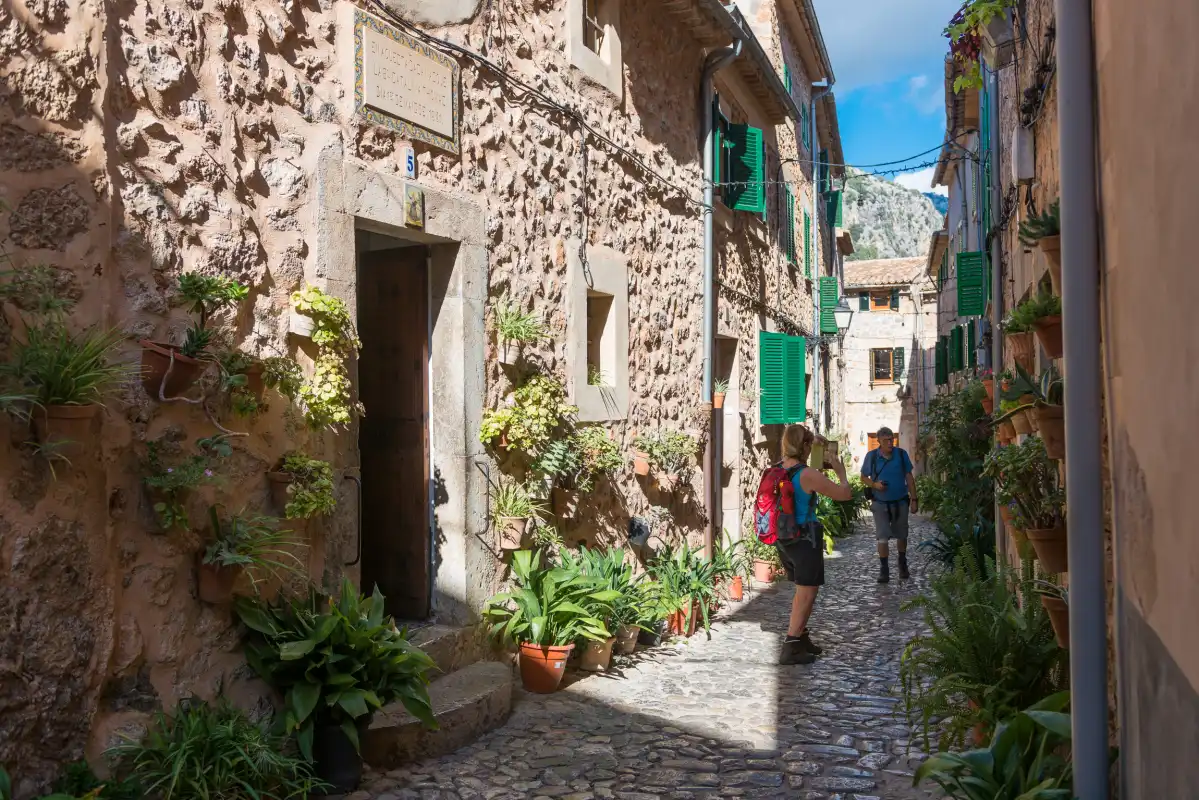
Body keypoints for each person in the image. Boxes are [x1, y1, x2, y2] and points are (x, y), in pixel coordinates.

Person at [777, 424, 853, 666]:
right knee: (807, 592)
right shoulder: (807, 474)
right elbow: (844, 494)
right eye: (809, 445)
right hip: (804, 538)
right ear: (804, 446)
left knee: (802, 591)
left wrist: (815, 439)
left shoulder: (779, 468)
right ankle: (791, 646)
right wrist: (841, 472)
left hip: (784, 538)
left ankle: (801, 638)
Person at [860, 427, 917, 583]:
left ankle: (902, 563)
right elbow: (863, 477)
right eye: (886, 440)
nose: (890, 442)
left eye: (892, 439)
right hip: (880, 503)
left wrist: (914, 499)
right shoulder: (872, 456)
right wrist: (875, 485)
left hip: (900, 501)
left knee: (902, 534)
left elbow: (909, 477)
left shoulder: (901, 454)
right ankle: (884, 569)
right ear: (879, 441)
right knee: (882, 536)